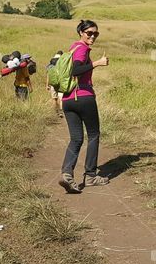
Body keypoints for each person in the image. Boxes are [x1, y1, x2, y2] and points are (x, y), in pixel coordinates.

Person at [59, 19, 110, 193]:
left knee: (76, 139)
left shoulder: (72, 48)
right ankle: (90, 176)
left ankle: (67, 174)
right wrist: (97, 63)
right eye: (89, 33)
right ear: (81, 32)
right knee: (94, 135)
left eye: (96, 33)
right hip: (83, 97)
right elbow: (75, 70)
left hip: (67, 100)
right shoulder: (81, 49)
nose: (93, 36)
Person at [46, 50, 65, 118]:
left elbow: (48, 77)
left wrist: (47, 85)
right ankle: (61, 111)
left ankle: (55, 112)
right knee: (60, 98)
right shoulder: (61, 66)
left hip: (52, 85)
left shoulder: (50, 68)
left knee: (54, 99)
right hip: (60, 84)